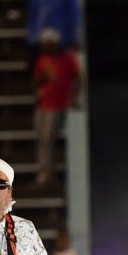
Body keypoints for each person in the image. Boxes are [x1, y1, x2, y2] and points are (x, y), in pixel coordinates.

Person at [32, 27, 81, 187]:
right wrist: (42, 79)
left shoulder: (67, 59)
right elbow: (37, 81)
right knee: (41, 139)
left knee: (47, 139)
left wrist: (73, 98)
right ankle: (42, 173)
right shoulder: (43, 59)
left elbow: (78, 78)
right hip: (43, 103)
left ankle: (46, 176)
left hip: (57, 104)